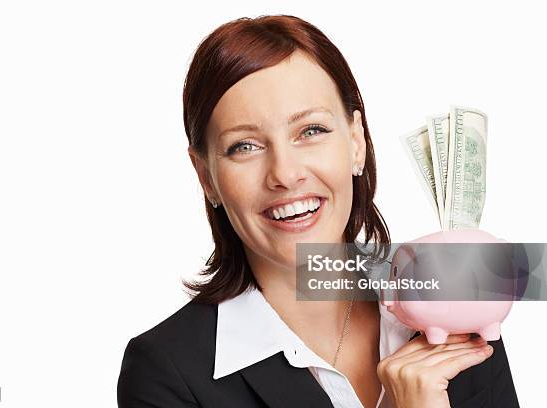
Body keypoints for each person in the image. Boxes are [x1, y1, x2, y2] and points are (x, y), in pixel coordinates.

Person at [117, 15, 519, 408]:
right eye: (245, 146)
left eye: (311, 131)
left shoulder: (459, 303)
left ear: (356, 141)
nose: (285, 174)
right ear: (206, 176)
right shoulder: (167, 373)